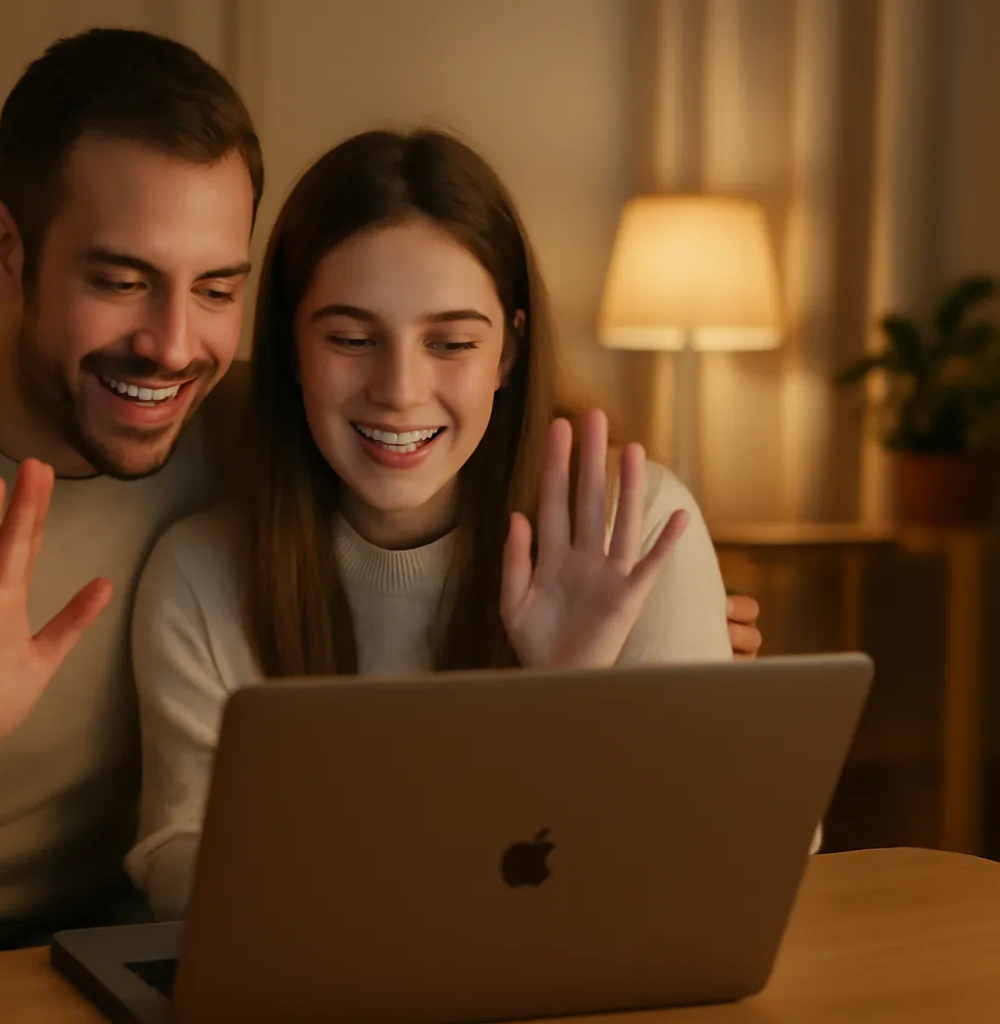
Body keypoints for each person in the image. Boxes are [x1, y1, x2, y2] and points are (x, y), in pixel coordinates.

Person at [0, 28, 764, 995]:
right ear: (4, 253)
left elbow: (439, 447)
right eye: (119, 280)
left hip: (132, 945)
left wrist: (654, 668)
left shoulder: (274, 441)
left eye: (217, 289)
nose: (172, 347)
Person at [124, 128, 799, 923]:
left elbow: (722, 855)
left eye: (451, 343)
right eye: (350, 339)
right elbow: (179, 868)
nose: (401, 391)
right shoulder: (202, 571)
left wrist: (572, 703)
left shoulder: (638, 526)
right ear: (291, 348)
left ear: (508, 352)